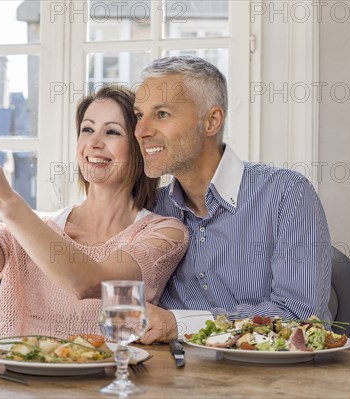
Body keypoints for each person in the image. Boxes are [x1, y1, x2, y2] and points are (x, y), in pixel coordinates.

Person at [0, 77, 188, 341]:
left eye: (112, 132)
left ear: (140, 148)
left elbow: (89, 282)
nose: (94, 143)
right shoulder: (38, 227)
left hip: (94, 381)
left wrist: (6, 200)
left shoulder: (165, 234)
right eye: (87, 129)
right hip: (3, 376)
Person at [132, 56, 333, 344]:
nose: (141, 131)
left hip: (276, 382)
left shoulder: (287, 195)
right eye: (139, 115)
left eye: (161, 114)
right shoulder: (152, 209)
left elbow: (300, 315)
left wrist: (181, 323)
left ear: (211, 121)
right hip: (176, 380)